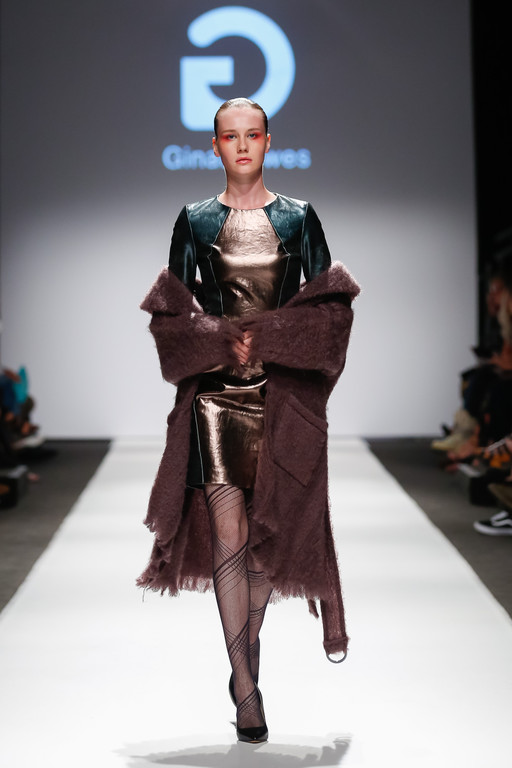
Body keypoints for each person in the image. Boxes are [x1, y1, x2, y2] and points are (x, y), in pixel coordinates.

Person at [137, 98, 360, 743]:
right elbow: (173, 313)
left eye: (252, 134)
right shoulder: (194, 220)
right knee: (228, 532)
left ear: (268, 141)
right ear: (214, 146)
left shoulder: (298, 218)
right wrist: (216, 341)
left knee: (266, 531)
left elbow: (329, 308)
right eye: (229, 136)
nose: (241, 146)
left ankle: (245, 647)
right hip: (214, 398)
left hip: (281, 398)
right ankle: (245, 685)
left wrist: (271, 339)